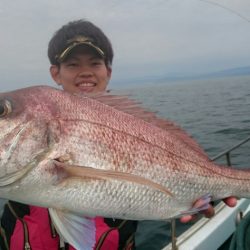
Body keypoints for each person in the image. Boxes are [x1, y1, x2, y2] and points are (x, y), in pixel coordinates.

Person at [0, 19, 237, 250]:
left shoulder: (130, 122)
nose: (85, 72)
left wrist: (198, 196)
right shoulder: (45, 122)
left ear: (108, 71)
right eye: (72, 64)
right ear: (55, 73)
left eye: (94, 63)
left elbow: (156, 185)